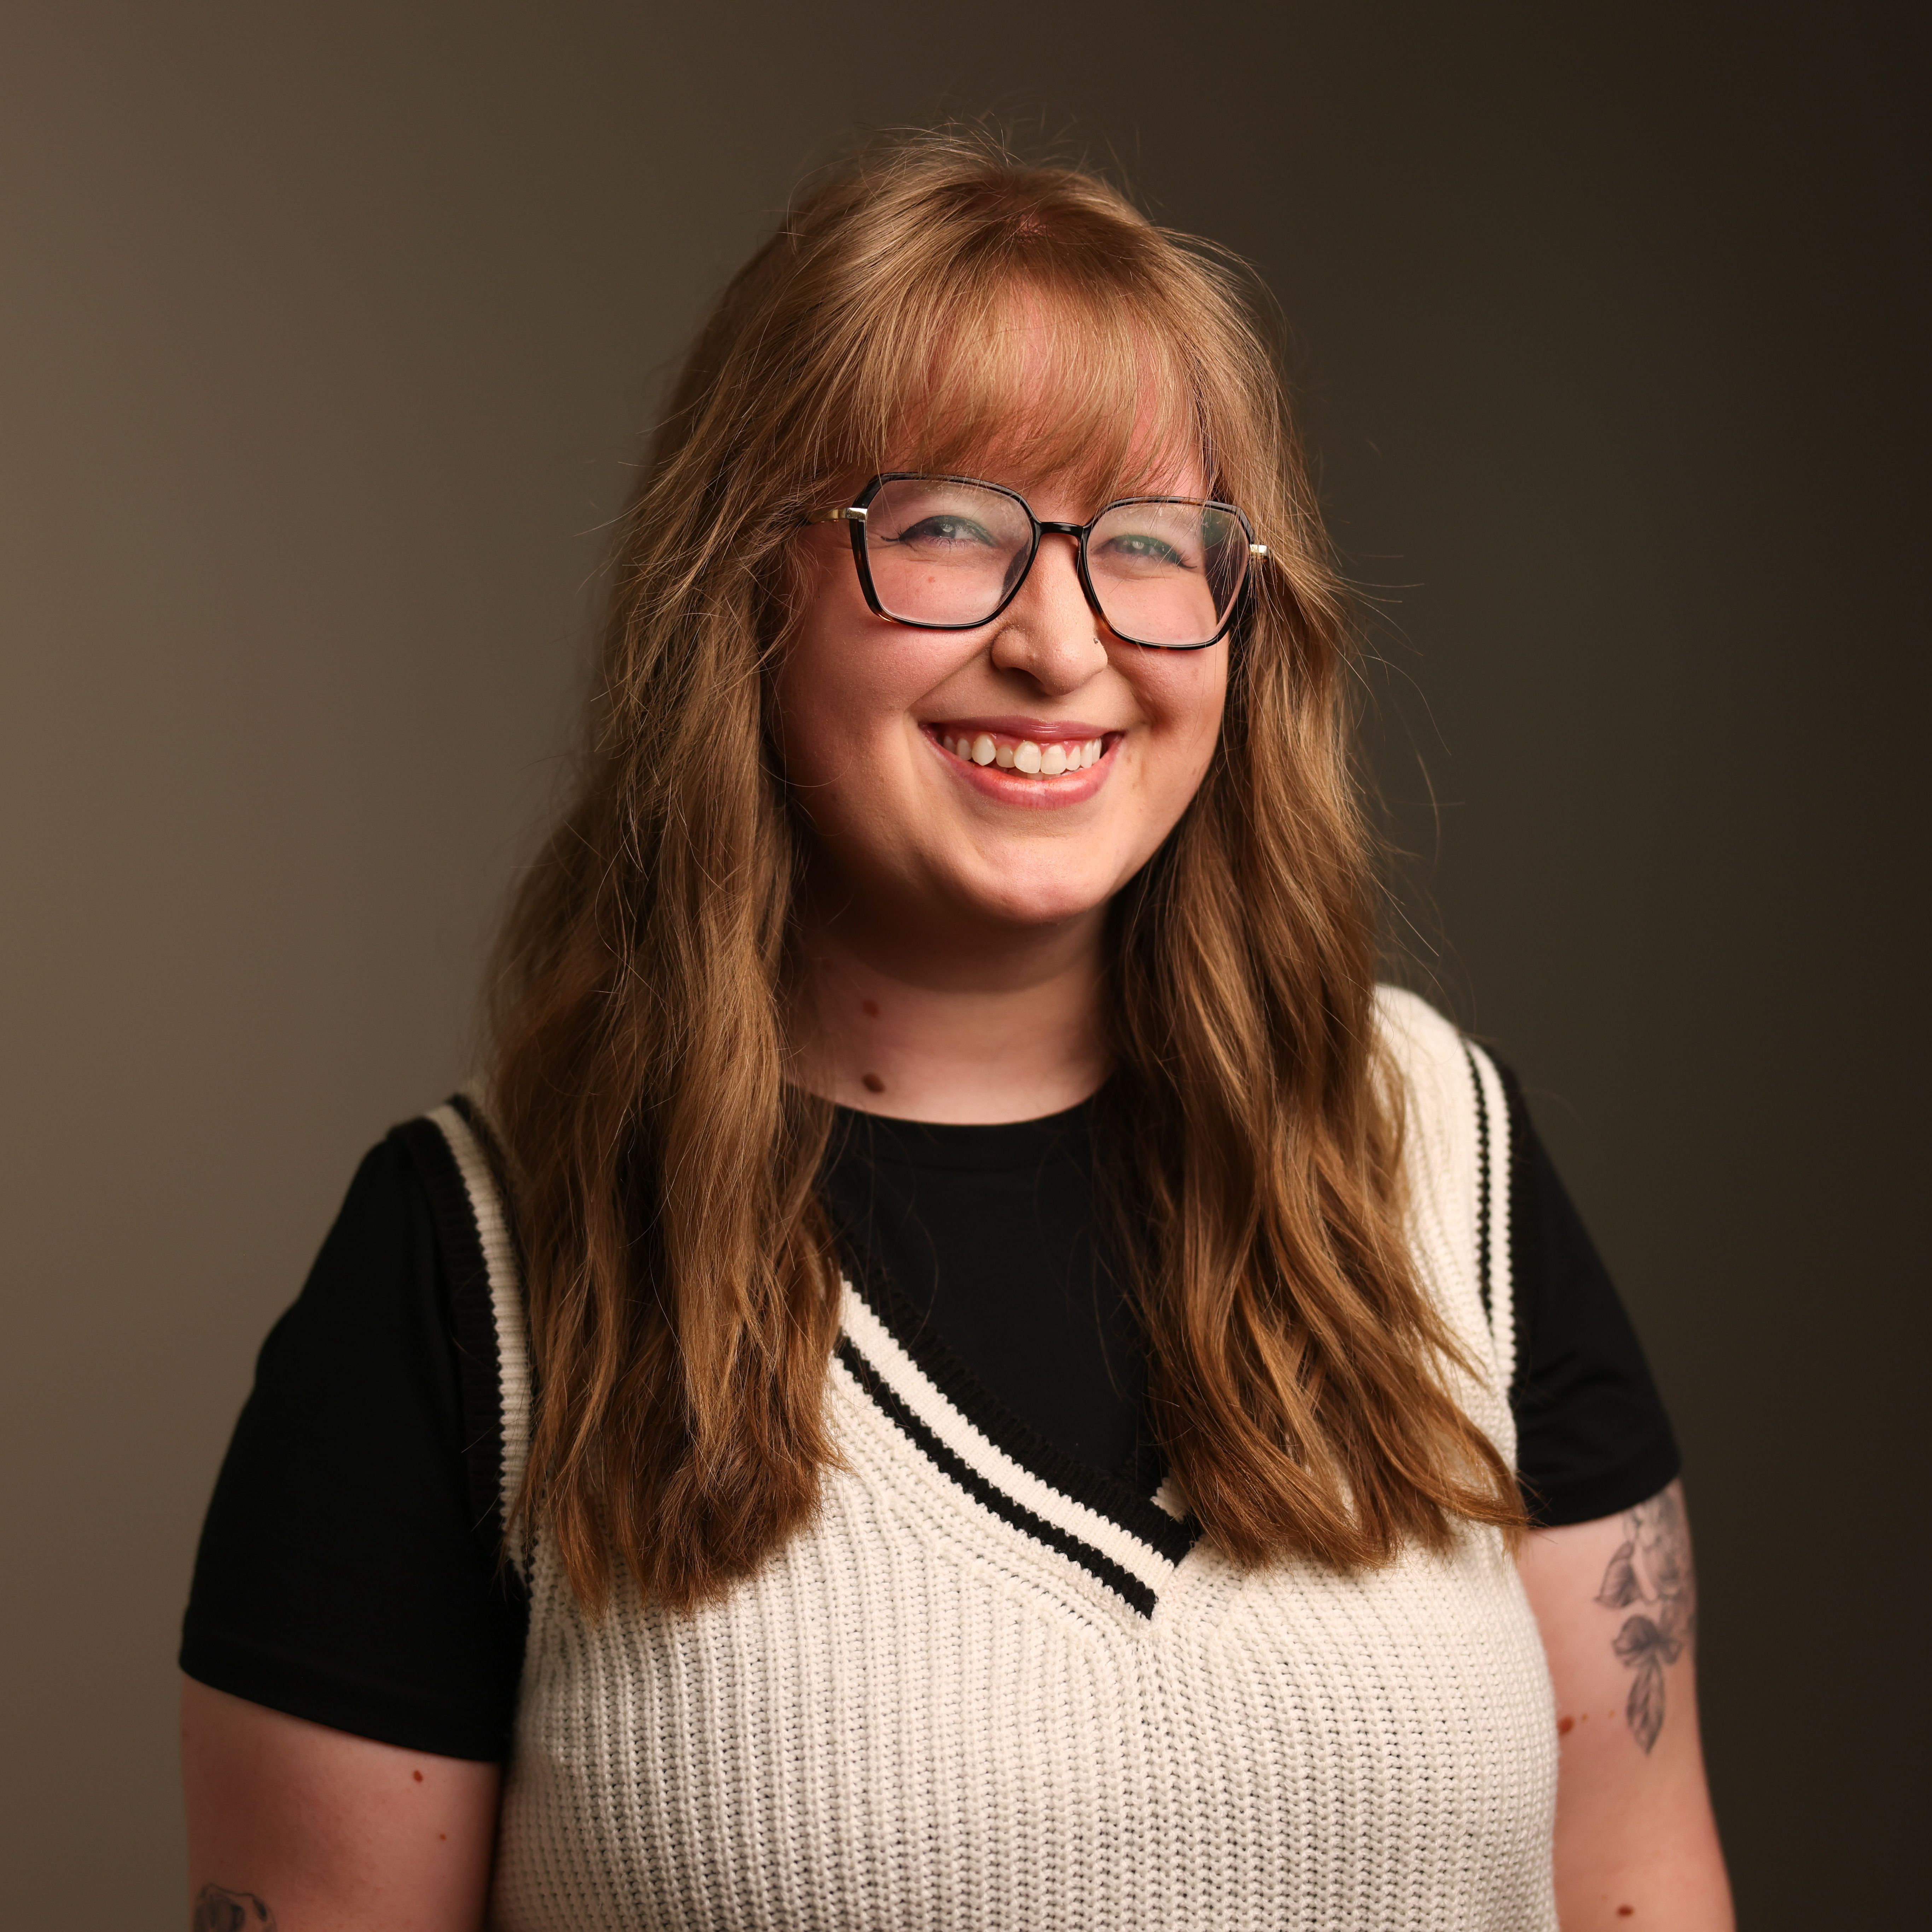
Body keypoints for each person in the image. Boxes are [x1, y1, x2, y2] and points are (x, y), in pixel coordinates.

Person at [180, 130, 1733, 1930]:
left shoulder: (1446, 1155)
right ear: (742, 588)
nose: (1060, 646)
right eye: (944, 528)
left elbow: (1635, 1877)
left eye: (1146, 543)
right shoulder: (469, 1267)